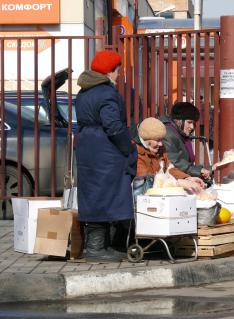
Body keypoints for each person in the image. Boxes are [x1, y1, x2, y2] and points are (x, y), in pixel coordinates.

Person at [76, 50, 136, 263]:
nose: (119, 75)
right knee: (108, 193)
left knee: (93, 193)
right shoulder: (107, 93)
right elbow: (113, 125)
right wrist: (127, 147)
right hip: (105, 150)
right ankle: (96, 249)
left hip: (87, 147)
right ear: (110, 71)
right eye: (117, 70)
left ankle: (100, 245)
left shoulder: (84, 92)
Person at [134, 117, 205, 194]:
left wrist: (187, 178)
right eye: (157, 140)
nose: (161, 144)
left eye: (161, 140)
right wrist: (178, 183)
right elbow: (147, 182)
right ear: (146, 139)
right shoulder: (135, 153)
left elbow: (169, 169)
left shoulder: (160, 149)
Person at [161, 102, 212, 181]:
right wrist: (199, 171)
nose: (192, 127)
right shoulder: (168, 134)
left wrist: (203, 169)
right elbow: (174, 161)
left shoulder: (178, 132)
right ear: (178, 120)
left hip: (177, 177)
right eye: (189, 122)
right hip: (169, 180)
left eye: (194, 123)